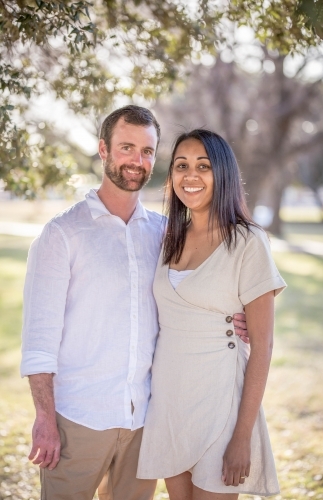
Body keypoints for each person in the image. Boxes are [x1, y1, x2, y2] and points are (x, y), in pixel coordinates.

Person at [20, 106, 248, 500]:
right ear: (103, 151)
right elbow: (39, 340)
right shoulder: (63, 234)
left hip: (146, 421)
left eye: (146, 151)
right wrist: (44, 417)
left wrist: (235, 319)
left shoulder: (165, 235)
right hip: (79, 420)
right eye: (126, 147)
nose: (137, 161)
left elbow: (190, 301)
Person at [137, 129, 287, 499]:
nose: (190, 175)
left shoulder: (248, 241)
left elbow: (263, 346)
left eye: (203, 166)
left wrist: (242, 436)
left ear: (223, 174)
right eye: (181, 165)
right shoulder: (170, 236)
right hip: (170, 403)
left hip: (220, 405)